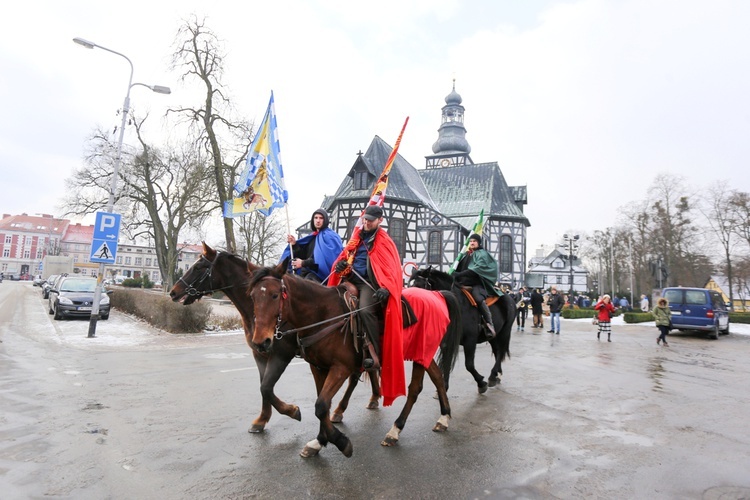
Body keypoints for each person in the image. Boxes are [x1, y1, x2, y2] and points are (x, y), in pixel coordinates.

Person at [328, 205, 404, 405]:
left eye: (371, 219)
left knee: (365, 310)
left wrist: (387, 288)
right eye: (365, 219)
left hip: (368, 284)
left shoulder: (384, 241)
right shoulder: (357, 238)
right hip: (351, 280)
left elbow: (393, 269)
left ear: (380, 220)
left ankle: (374, 354)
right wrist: (340, 266)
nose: (367, 222)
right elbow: (343, 258)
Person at [453, 234, 500, 339]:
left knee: (478, 299)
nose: (472, 243)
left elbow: (476, 270)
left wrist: (460, 274)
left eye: (474, 241)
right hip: (462, 283)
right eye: (470, 241)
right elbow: (458, 268)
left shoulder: (482, 254)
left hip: (476, 283)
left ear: (479, 242)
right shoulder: (466, 255)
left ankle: (489, 324)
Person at [279, 208, 343, 282]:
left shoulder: (330, 236)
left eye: (321, 218)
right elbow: (305, 255)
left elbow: (324, 261)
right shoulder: (312, 237)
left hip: (320, 277)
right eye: (316, 218)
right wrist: (295, 244)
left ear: (325, 220)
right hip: (306, 274)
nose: (318, 220)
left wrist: (303, 263)